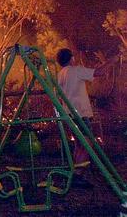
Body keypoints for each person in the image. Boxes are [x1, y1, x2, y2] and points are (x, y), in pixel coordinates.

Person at [56, 48, 117, 188]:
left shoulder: (61, 74)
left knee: (79, 144)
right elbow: (99, 72)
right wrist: (110, 62)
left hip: (69, 114)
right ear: (70, 58)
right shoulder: (75, 70)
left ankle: (75, 173)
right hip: (80, 114)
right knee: (87, 143)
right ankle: (77, 175)